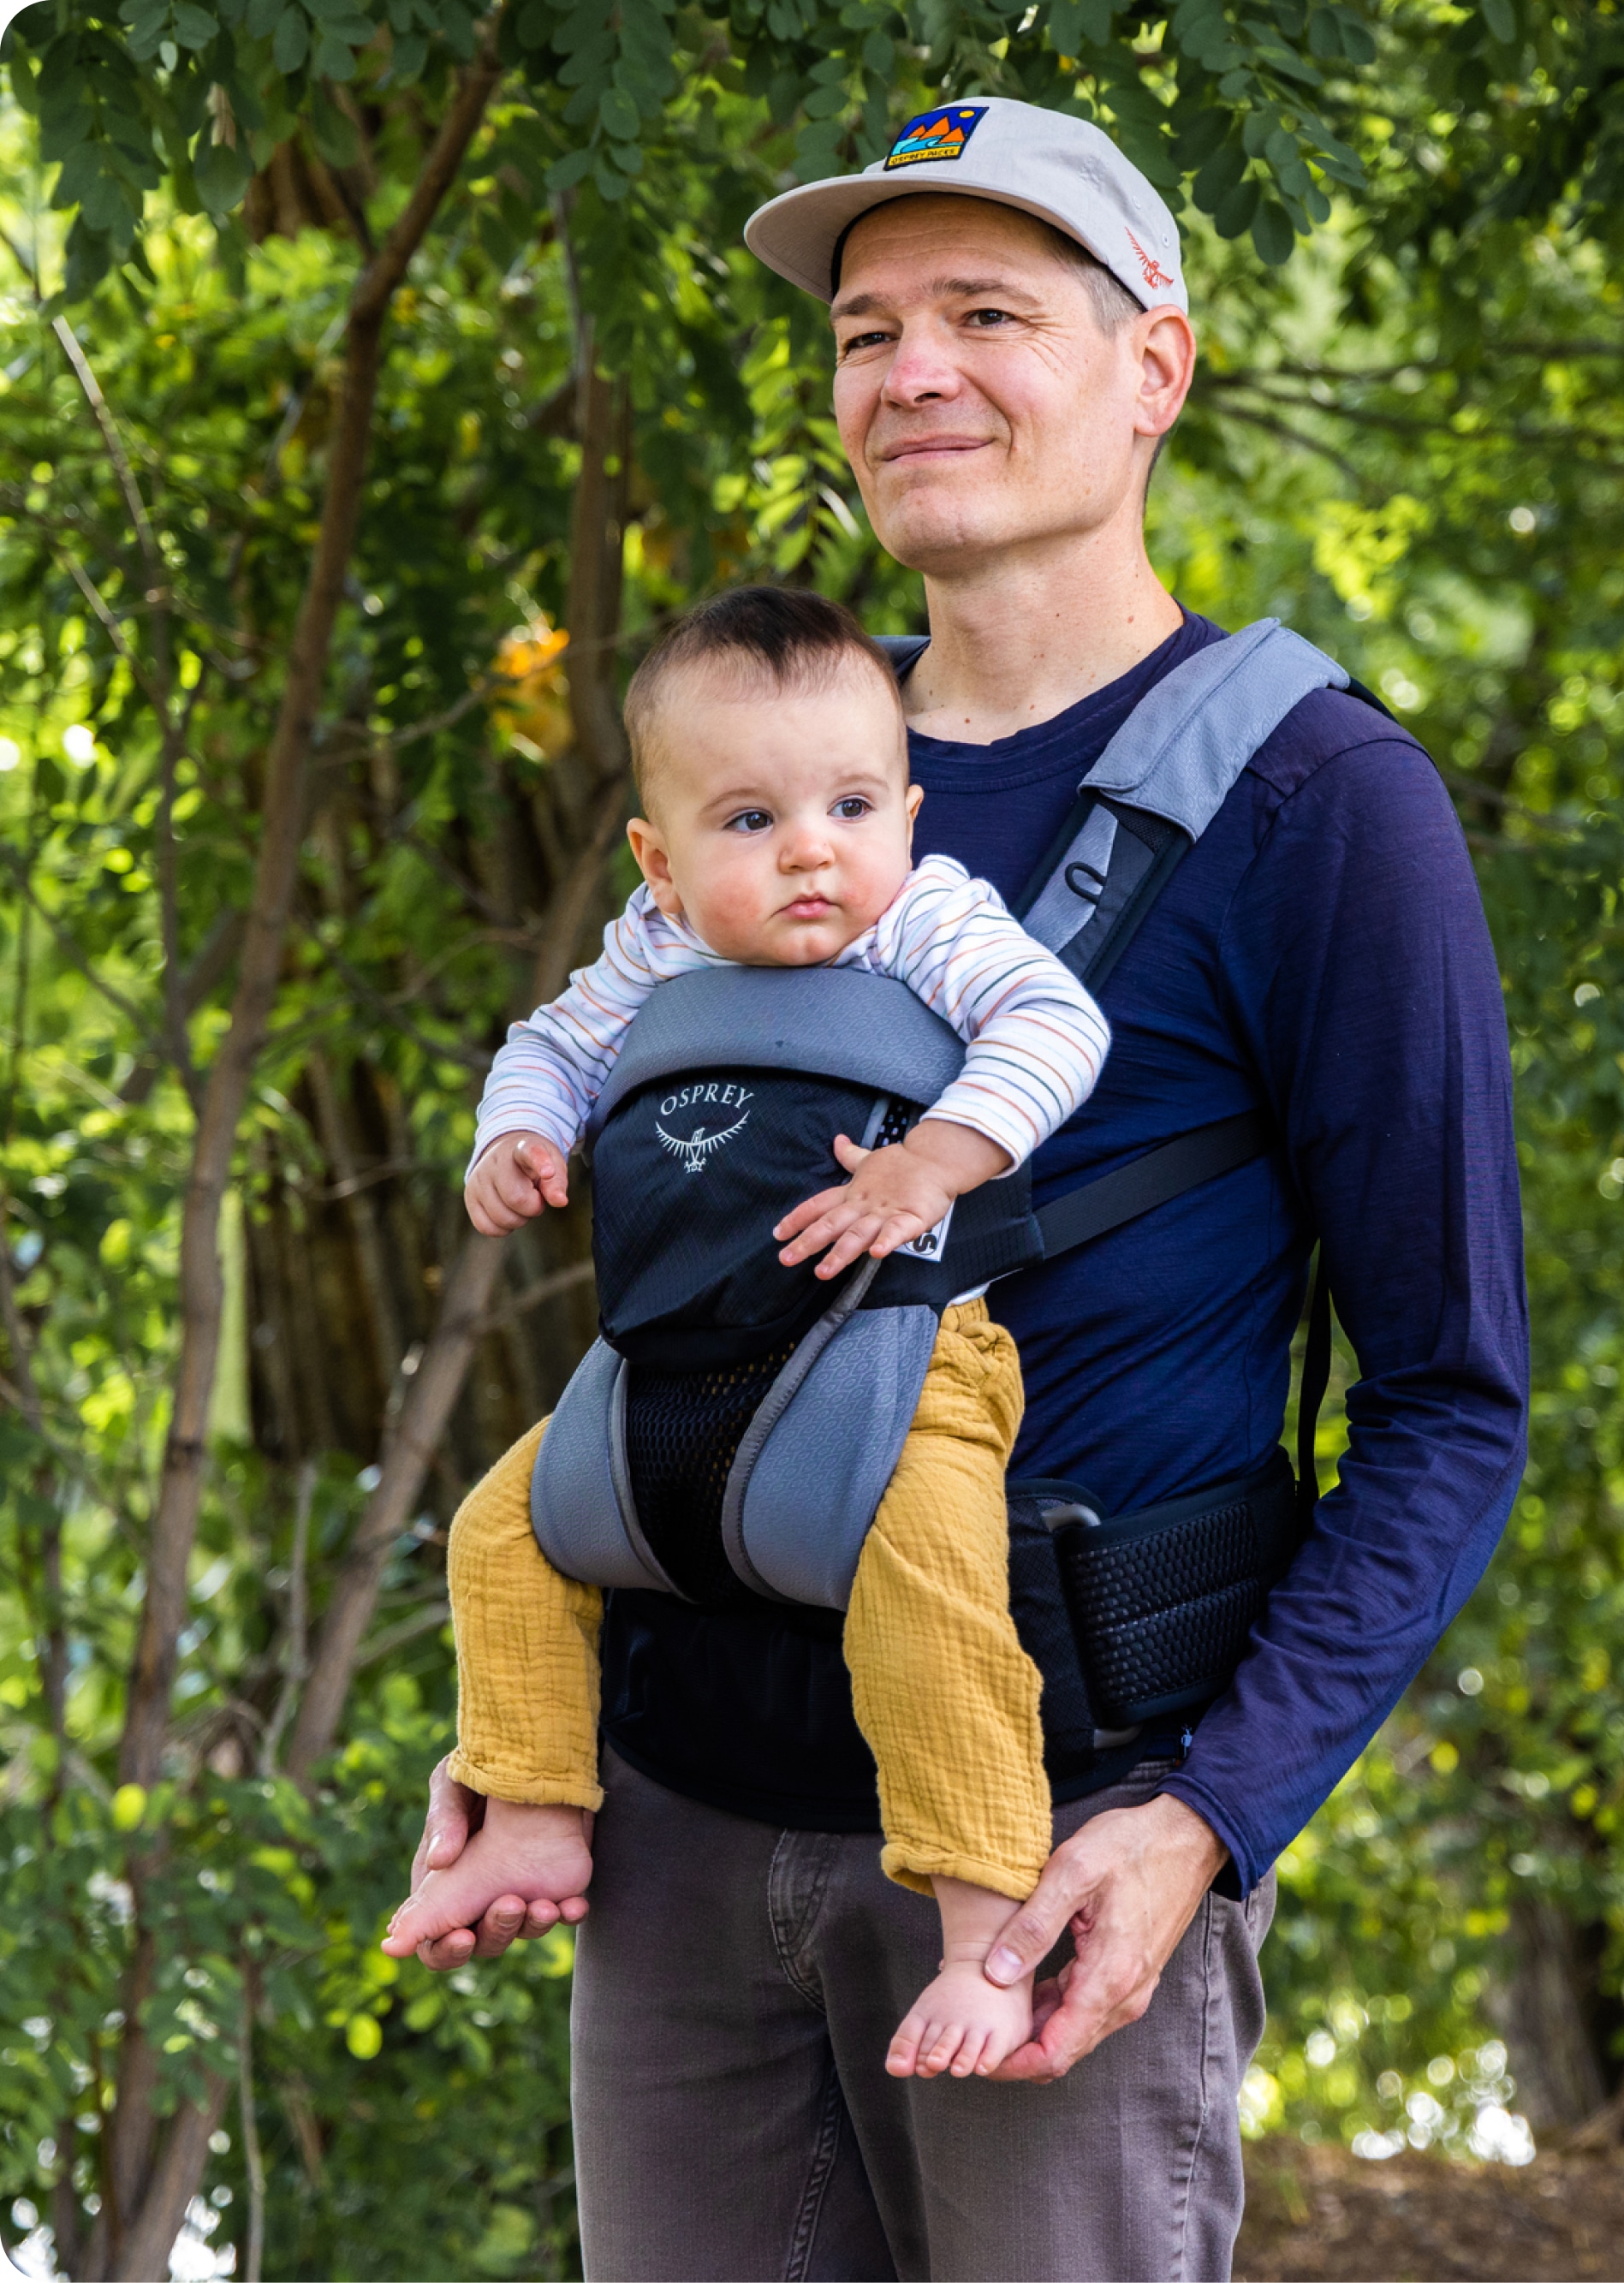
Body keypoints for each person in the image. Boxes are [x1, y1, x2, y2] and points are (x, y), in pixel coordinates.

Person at [399, 95, 1529, 2283]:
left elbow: (1452, 1402)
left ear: (1154, 369)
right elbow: (678, 1255)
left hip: (1049, 1853)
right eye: (863, 330)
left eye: (986, 312)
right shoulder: (769, 764)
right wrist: (527, 1732)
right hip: (678, 1829)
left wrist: (1205, 1825)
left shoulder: (1316, 804)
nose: (908, 370)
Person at [383, 583, 1113, 2083]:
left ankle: (984, 1929)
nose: (809, 852)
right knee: (500, 1534)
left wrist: (933, 1164)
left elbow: (1057, 1027)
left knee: (932, 1600)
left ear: (908, 810)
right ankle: (529, 1806)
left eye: (852, 803)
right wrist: (513, 1141)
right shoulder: (656, 952)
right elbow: (548, 1045)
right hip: (677, 1369)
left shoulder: (924, 920)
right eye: (748, 821)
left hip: (903, 1361)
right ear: (658, 858)